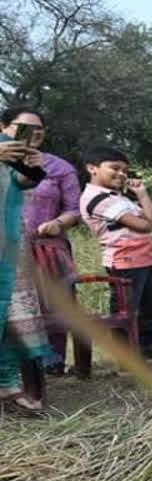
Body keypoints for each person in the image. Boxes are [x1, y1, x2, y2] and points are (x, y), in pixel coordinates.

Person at [1, 106, 81, 375]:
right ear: (4, 128)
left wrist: (58, 223)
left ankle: (52, 362)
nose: (33, 134)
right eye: (24, 128)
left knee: (54, 306)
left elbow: (74, 209)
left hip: (48, 248)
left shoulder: (59, 168)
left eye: (39, 130)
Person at [79, 146, 152, 362]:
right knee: (125, 311)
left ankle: (147, 349)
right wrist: (146, 220)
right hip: (124, 261)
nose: (121, 174)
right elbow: (144, 226)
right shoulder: (97, 198)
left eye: (124, 170)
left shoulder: (120, 198)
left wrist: (143, 194)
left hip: (144, 259)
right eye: (114, 168)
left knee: (149, 307)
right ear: (92, 168)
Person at [0, 120, 52, 412]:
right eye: (23, 126)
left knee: (9, 315)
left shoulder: (10, 152)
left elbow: (24, 183)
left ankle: (8, 381)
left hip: (7, 243)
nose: (33, 132)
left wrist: (34, 167)